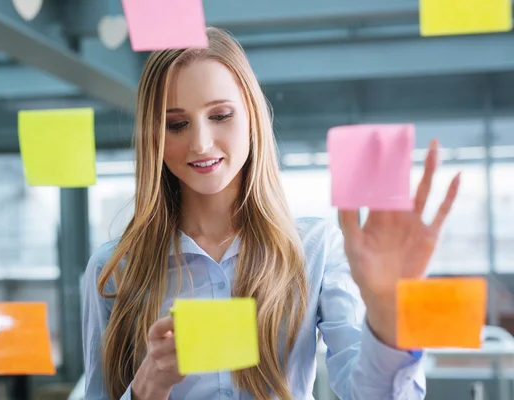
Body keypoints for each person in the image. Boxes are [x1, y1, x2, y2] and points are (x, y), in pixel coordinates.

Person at [82, 27, 460, 400]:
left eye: (220, 116)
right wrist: (147, 389)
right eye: (177, 124)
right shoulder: (114, 268)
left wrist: (386, 315)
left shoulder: (316, 249)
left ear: (252, 117)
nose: (200, 143)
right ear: (154, 135)